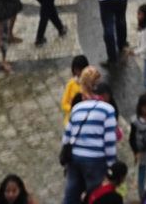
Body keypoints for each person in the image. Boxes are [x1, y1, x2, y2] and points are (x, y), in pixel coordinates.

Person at [61, 71, 121, 204]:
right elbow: (109, 142)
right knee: (94, 194)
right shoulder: (108, 109)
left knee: (71, 193)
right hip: (95, 159)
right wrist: (111, 165)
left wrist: (66, 159)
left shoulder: (77, 108)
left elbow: (66, 136)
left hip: (75, 157)